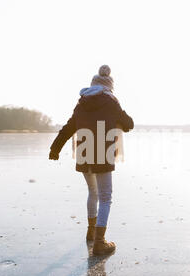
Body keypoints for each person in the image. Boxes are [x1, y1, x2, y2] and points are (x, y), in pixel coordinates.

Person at [49, 65, 134, 255]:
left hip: (84, 152)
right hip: (103, 152)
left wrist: (55, 148)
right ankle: (100, 241)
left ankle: (90, 232)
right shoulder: (111, 102)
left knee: (92, 192)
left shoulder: (81, 104)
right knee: (105, 197)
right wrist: (116, 121)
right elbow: (129, 124)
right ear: (109, 87)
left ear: (92, 86)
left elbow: (69, 127)